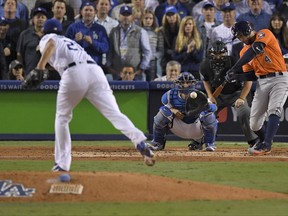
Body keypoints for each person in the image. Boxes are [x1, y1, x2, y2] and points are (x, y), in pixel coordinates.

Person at [36, 19, 155, 171]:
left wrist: (39, 67)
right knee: (114, 113)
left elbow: (51, 44)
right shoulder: (69, 41)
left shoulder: (47, 38)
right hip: (95, 72)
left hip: (73, 73)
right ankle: (140, 142)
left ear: (43, 31)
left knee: (62, 117)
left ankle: (62, 163)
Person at [225, 21, 288, 155]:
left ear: (248, 31)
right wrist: (236, 76)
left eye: (241, 35)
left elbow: (255, 49)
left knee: (274, 109)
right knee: (254, 124)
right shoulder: (243, 52)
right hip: (262, 82)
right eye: (238, 36)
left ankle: (267, 144)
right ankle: (264, 140)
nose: (240, 39)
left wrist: (234, 68)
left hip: (280, 78)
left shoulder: (264, 33)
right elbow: (252, 75)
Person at [200, 40, 259, 147]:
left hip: (236, 93)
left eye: (221, 53)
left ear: (226, 53)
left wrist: (242, 97)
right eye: (215, 54)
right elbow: (206, 81)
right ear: (210, 54)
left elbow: (249, 79)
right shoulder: (205, 64)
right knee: (205, 112)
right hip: (217, 95)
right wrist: (210, 96)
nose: (218, 57)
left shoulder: (235, 61)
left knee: (244, 112)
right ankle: (199, 140)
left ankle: (253, 140)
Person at [149, 72, 218, 151]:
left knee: (208, 115)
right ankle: (158, 142)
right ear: (178, 83)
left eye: (188, 82)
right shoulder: (169, 95)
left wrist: (206, 106)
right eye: (183, 82)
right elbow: (164, 107)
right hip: (178, 127)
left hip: (196, 128)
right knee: (163, 112)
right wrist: (173, 110)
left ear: (193, 83)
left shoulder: (200, 96)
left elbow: (214, 107)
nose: (185, 85)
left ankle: (208, 143)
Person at [106, 5, 152, 81]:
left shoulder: (140, 31)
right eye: (123, 14)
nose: (125, 17)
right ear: (119, 16)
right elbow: (110, 50)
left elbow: (147, 52)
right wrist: (109, 66)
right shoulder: (113, 31)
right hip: (117, 72)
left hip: (135, 72)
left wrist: (141, 68)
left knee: (137, 93)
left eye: (128, 15)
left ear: (132, 17)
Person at [66, 1, 109, 67]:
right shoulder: (73, 27)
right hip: (77, 66)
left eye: (91, 10)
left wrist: (92, 42)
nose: (88, 12)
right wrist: (75, 41)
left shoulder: (100, 29)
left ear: (95, 12)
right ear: (81, 12)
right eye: (86, 10)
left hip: (95, 66)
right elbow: (65, 48)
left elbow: (105, 48)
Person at [16, 7, 47, 75]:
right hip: (29, 73)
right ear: (33, 19)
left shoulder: (50, 34)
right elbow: (19, 54)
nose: (40, 19)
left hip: (47, 73)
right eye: (38, 17)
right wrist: (22, 71)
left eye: (42, 17)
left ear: (46, 20)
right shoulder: (24, 34)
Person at [140, 8, 163, 80]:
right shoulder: (138, 31)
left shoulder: (157, 32)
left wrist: (153, 56)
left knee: (152, 81)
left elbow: (161, 51)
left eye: (150, 18)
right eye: (146, 18)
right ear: (142, 19)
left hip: (153, 61)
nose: (148, 20)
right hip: (140, 61)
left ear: (153, 20)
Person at [156, 6, 180, 74]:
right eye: (168, 15)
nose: (171, 17)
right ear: (165, 17)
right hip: (166, 59)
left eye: (173, 15)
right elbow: (161, 47)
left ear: (176, 15)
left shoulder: (182, 29)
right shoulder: (161, 30)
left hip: (180, 58)